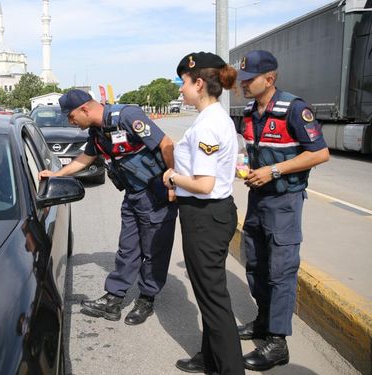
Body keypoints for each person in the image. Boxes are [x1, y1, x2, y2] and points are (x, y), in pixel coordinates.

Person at [38, 89, 177, 326]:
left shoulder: (126, 116)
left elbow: (166, 144)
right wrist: (57, 174)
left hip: (156, 194)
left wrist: (172, 181)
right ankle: (114, 298)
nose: (71, 122)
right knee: (127, 248)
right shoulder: (97, 132)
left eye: (71, 117)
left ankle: (146, 298)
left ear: (85, 109)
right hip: (133, 196)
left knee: (154, 249)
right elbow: (85, 159)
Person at [236, 50, 330, 371]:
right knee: (255, 264)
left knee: (281, 270)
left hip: (284, 203)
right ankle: (263, 321)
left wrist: (275, 171)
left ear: (270, 79)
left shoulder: (294, 109)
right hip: (257, 199)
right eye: (243, 80)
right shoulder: (249, 111)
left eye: (250, 80)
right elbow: (254, 149)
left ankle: (277, 342)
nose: (244, 85)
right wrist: (246, 166)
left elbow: (319, 153)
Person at [165, 52, 244, 375]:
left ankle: (229, 369)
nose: (181, 89)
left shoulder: (208, 126)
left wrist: (172, 178)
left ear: (199, 83)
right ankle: (210, 359)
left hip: (205, 216)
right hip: (212, 215)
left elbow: (204, 183)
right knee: (211, 296)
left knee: (214, 303)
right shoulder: (213, 118)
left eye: (183, 82)